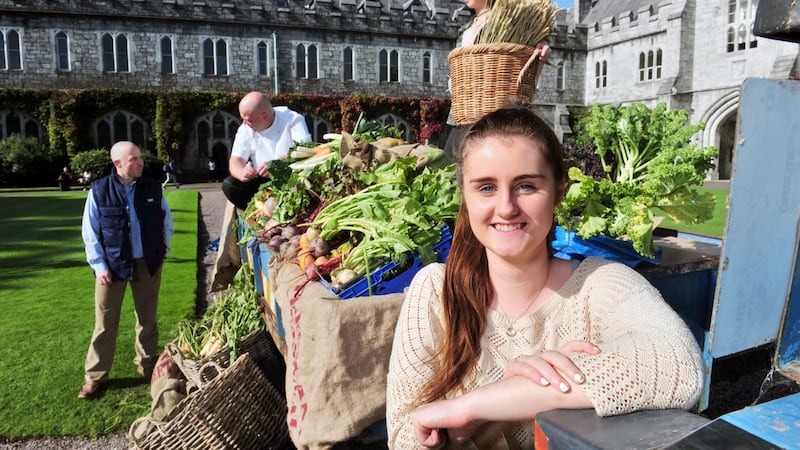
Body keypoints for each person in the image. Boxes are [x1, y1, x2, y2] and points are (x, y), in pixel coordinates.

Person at [386, 106, 703, 448]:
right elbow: (405, 437)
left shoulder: (600, 284)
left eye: (526, 186)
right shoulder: (436, 291)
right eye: (486, 188)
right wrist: (478, 419)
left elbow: (678, 366)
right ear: (465, 196)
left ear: (558, 192)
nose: (506, 207)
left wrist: (483, 403)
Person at [78, 141, 174, 399]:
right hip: (112, 266)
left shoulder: (152, 187)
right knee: (105, 323)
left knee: (147, 318)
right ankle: (96, 375)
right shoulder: (99, 190)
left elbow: (166, 220)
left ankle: (147, 363)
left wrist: (162, 251)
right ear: (118, 164)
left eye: (140, 157)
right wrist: (99, 266)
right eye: (133, 159)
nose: (140, 162)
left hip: (148, 263)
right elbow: (91, 232)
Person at [443, 0, 552, 157]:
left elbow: (528, 49)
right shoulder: (464, 29)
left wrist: (542, 48)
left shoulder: (510, 21)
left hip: (494, 115)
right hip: (461, 114)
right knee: (450, 168)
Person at [222, 91, 312, 211]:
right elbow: (235, 160)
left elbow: (306, 151)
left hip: (291, 179)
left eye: (248, 120)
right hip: (262, 181)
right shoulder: (246, 128)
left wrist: (277, 165)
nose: (244, 123)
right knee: (229, 185)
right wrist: (241, 173)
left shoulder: (292, 119)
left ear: (264, 116)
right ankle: (260, 211)